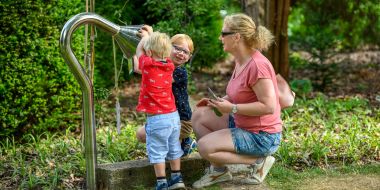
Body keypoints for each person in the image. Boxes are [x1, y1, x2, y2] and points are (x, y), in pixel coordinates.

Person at [191, 13, 282, 188]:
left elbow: (268, 106)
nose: (220, 37)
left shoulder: (257, 66)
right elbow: (239, 94)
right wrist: (218, 102)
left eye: (224, 34)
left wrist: (232, 108)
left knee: (204, 147)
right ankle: (219, 172)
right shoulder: (241, 60)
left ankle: (258, 161)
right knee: (199, 116)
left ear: (237, 37)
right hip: (243, 124)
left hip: (262, 136)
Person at [134, 29, 185, 190]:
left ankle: (162, 183)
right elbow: (152, 50)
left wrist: (144, 37)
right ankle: (177, 178)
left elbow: (139, 51)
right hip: (173, 116)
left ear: (149, 52)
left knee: (157, 150)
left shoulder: (147, 64)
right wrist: (152, 36)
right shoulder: (169, 65)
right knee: (174, 147)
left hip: (157, 119)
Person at [135, 26, 197, 157]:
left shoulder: (180, 72)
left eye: (185, 52)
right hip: (165, 118)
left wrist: (147, 39)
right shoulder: (160, 65)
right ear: (168, 47)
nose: (181, 53)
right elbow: (141, 66)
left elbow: (147, 70)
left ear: (189, 57)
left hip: (182, 121)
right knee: (141, 135)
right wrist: (146, 40)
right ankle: (180, 142)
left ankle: (184, 142)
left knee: (168, 153)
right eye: (177, 48)